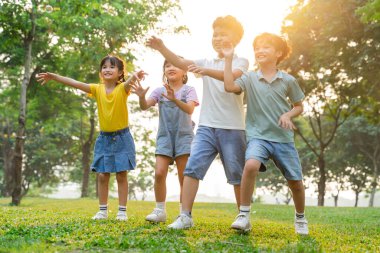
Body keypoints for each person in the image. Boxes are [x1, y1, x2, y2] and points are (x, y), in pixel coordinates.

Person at [146, 15, 249, 229]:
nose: (218, 38)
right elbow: (180, 62)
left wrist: (207, 71)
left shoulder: (242, 61)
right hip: (206, 127)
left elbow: (230, 77)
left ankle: (243, 216)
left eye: (223, 34)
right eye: (215, 34)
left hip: (232, 128)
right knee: (192, 169)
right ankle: (185, 216)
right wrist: (162, 48)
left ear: (236, 38)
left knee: (236, 174)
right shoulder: (205, 62)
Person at [37, 55, 145, 221]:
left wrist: (136, 74)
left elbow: (130, 80)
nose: (107, 69)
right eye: (104, 67)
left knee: (121, 175)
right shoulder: (96, 89)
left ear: (120, 72)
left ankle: (122, 211)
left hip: (122, 137)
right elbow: (74, 82)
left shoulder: (123, 88)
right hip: (104, 138)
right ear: (100, 72)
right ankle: (102, 210)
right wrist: (54, 77)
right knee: (102, 175)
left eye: (112, 67)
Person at [223, 32, 309, 235]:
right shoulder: (249, 78)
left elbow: (299, 106)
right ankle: (243, 214)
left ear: (278, 53)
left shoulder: (287, 80)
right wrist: (228, 59)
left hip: (282, 139)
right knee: (251, 165)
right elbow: (229, 86)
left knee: (295, 182)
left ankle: (300, 218)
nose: (260, 50)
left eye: (266, 47)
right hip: (258, 136)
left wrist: (288, 114)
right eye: (257, 47)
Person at [131, 59, 199, 223]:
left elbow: (190, 109)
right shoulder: (159, 91)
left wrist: (174, 99)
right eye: (167, 66)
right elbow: (145, 106)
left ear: (184, 73)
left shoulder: (189, 90)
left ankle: (184, 214)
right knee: (159, 173)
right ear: (164, 71)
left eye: (175, 65)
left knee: (184, 177)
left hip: (184, 137)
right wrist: (141, 97)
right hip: (165, 137)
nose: (171, 68)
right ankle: (160, 211)